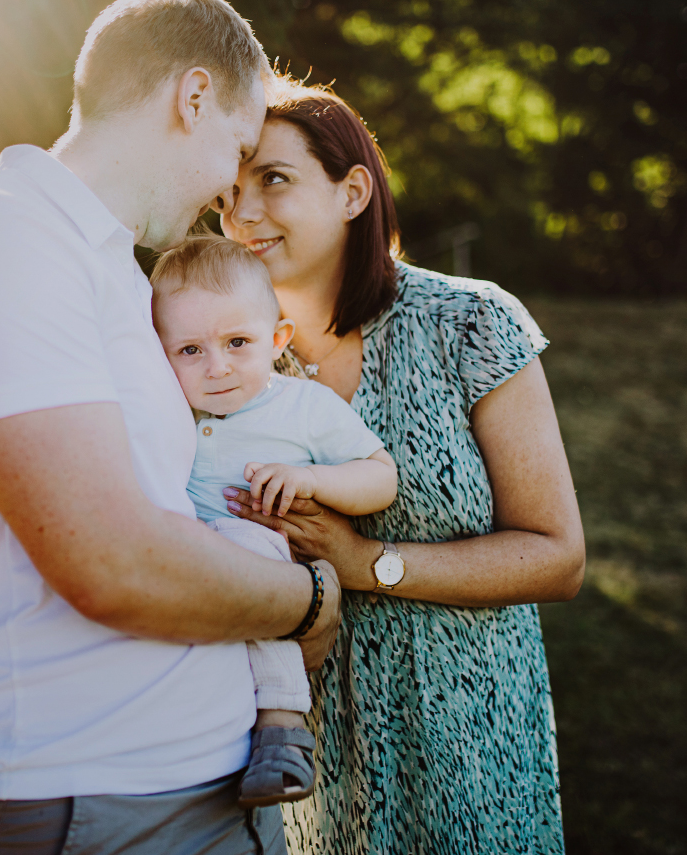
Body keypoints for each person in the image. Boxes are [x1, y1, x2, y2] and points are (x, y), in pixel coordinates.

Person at [0, 0, 342, 855]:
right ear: (192, 97)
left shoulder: (114, 274)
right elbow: (112, 560)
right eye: (235, 150)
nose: (225, 197)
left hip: (185, 792)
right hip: (89, 808)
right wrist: (308, 600)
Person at [216, 79, 586, 854]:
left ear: (353, 191)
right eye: (229, 191)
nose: (241, 213)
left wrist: (363, 562)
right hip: (301, 755)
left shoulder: (469, 321)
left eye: (273, 180)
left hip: (467, 743)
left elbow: (557, 555)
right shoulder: (224, 361)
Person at [148, 235, 398, 808]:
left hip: (262, 561)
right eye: (189, 350)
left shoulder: (302, 406)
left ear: (278, 339)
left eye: (239, 342)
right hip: (181, 566)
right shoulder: (168, 409)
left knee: (250, 553)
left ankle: (283, 727)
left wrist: (310, 480)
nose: (217, 367)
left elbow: (380, 475)